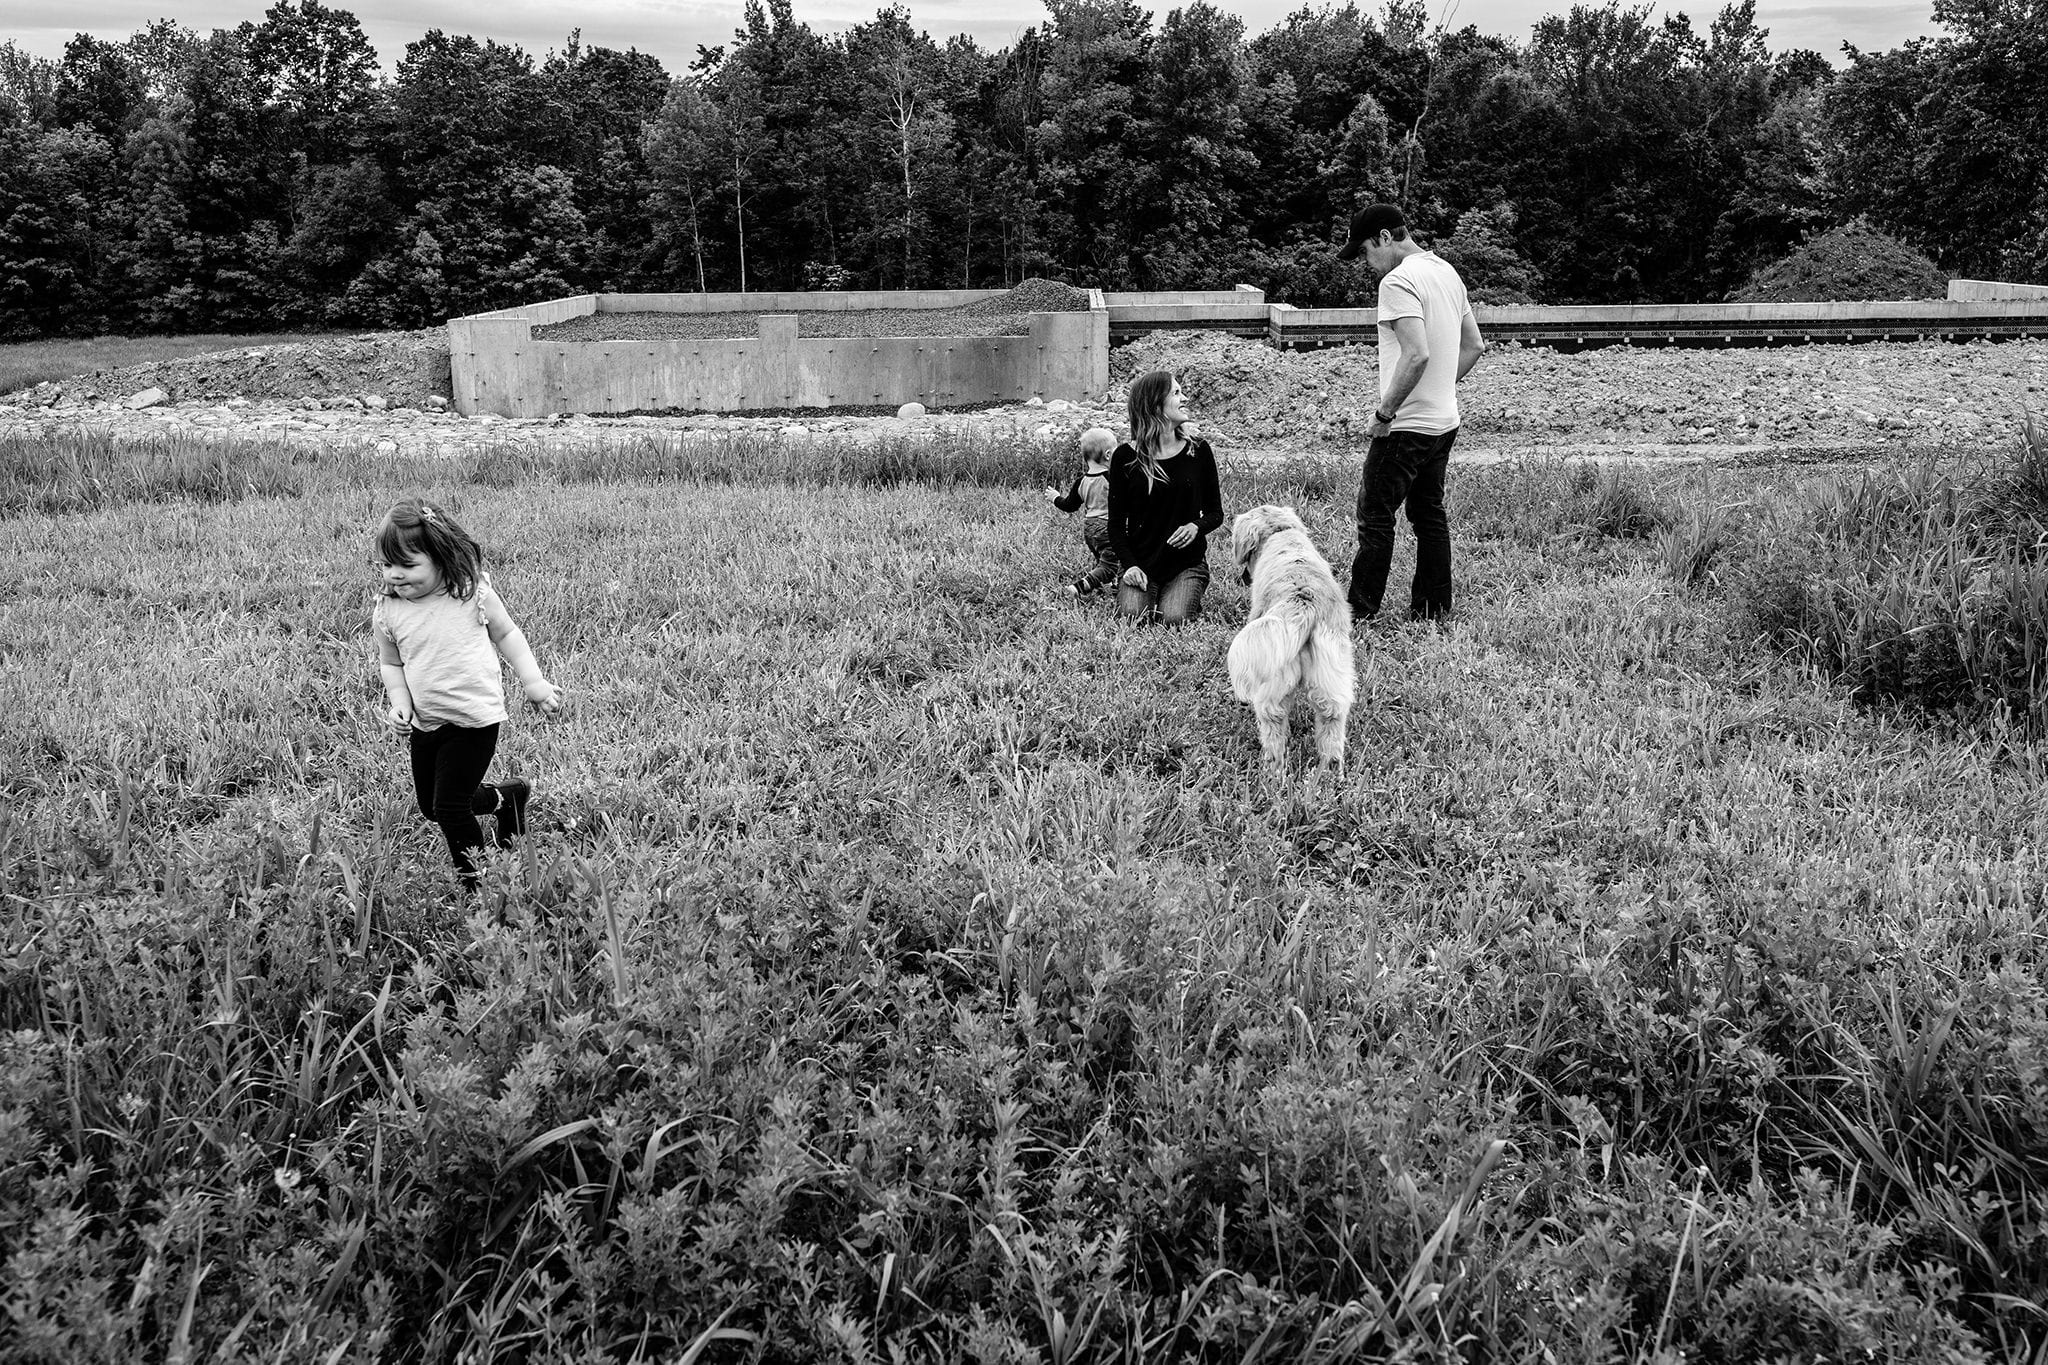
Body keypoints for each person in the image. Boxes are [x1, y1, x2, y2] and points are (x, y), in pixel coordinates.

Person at [371, 499, 564, 890]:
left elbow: (508, 634)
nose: (394, 575)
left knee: (449, 807)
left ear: (440, 557)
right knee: (430, 806)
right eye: (386, 565)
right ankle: (507, 798)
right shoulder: (388, 611)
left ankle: (477, 885)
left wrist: (533, 682)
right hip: (427, 721)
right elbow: (391, 664)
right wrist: (400, 703)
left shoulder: (470, 595)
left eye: (407, 566)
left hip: (475, 718)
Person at [1335, 202, 1486, 622]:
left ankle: (1360, 612)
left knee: (1375, 516)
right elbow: (1474, 345)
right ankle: (1433, 609)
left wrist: (1385, 414)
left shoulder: (1397, 282)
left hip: (1405, 426)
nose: (1366, 263)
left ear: (1385, 238)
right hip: (1443, 421)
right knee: (1428, 515)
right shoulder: (1445, 271)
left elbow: (1416, 354)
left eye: (1365, 251)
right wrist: (1440, 388)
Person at [1107, 372, 1224, 625]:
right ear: (1155, 404)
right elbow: (1115, 526)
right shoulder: (1125, 458)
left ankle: (1184, 589)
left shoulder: (1198, 450)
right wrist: (1129, 566)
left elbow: (1216, 513)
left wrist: (1196, 526)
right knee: (1132, 617)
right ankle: (1134, 583)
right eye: (1176, 393)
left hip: (1186, 564)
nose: (1185, 398)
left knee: (1174, 619)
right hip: (1141, 562)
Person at [1044, 426, 1121, 595]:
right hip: (1108, 528)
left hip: (1089, 529)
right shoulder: (1111, 478)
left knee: (1104, 559)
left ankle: (1111, 585)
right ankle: (1080, 587)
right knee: (1111, 565)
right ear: (1108, 455)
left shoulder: (1081, 482)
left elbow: (1069, 506)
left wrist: (1056, 497)